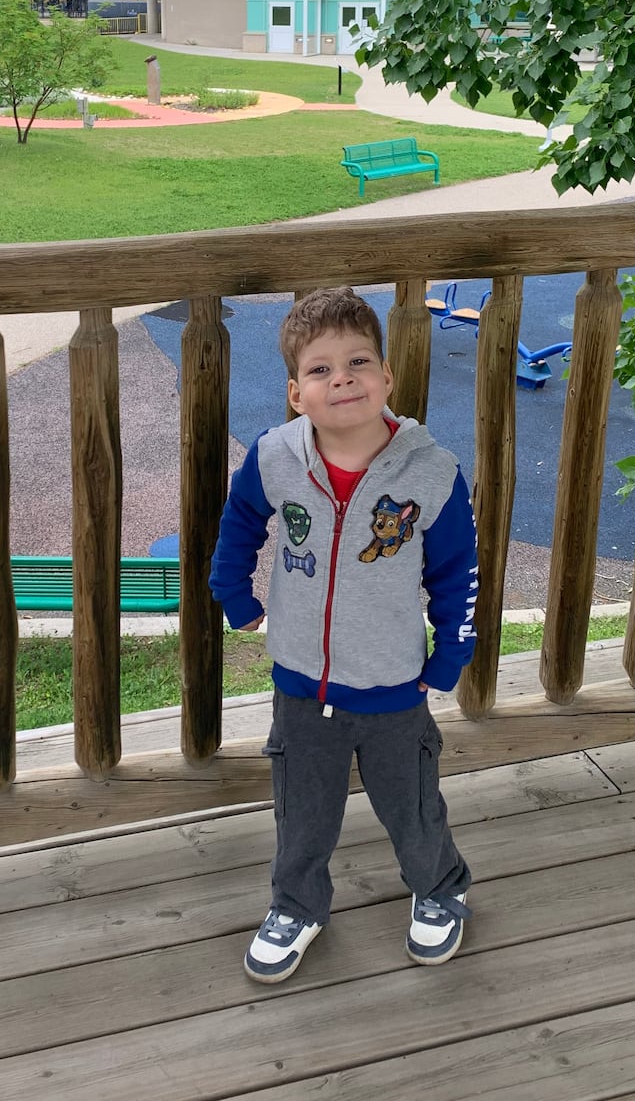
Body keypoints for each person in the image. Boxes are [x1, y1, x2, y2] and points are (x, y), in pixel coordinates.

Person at [209, 286, 479, 984]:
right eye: (321, 370)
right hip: (302, 681)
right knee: (303, 810)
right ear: (297, 393)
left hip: (393, 683)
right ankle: (296, 906)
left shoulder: (432, 472)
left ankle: (440, 889)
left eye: (358, 362)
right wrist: (233, 595)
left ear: (386, 378)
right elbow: (240, 524)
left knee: (412, 804)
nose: (343, 379)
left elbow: (457, 572)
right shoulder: (275, 457)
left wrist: (451, 653)